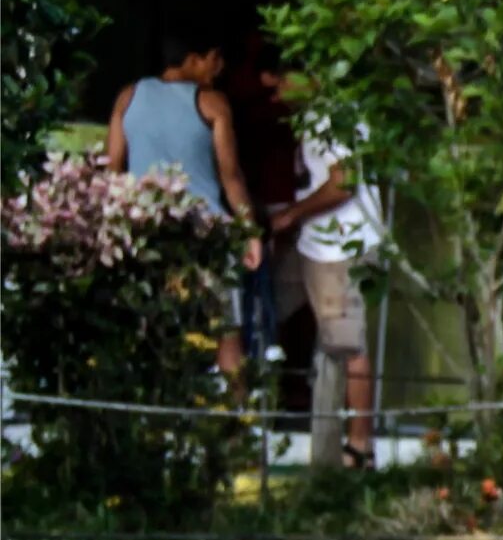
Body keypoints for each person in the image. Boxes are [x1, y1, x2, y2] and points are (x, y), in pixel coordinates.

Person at [106, 32, 265, 370]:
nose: (218, 68)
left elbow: (112, 170)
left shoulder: (128, 97)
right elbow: (231, 177)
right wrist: (250, 232)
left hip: (145, 233)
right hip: (206, 234)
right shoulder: (213, 103)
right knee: (226, 330)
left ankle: (153, 412)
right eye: (213, 58)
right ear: (193, 58)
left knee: (152, 328)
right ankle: (237, 416)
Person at [271, 89, 380, 467]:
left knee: (348, 347)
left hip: (340, 246)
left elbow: (344, 180)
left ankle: (359, 448)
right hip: (317, 245)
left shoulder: (330, 116)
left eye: (276, 84)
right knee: (307, 332)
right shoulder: (326, 113)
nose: (274, 94)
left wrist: (290, 215)